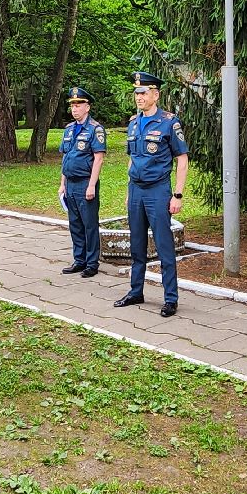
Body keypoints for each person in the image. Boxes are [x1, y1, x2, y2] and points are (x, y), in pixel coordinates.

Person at [115, 71, 189, 317]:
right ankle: (136, 291)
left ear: (155, 95)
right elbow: (132, 159)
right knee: (137, 245)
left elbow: (182, 159)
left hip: (158, 191)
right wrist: (128, 189)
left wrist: (177, 195)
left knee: (164, 245)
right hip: (136, 190)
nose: (139, 97)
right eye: (136, 93)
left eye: (144, 92)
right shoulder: (133, 123)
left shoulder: (169, 122)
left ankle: (170, 299)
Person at [57, 87, 106, 277]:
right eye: (72, 105)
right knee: (75, 223)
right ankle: (79, 259)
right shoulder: (69, 129)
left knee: (89, 224)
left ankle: (92, 263)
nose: (75, 109)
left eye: (79, 105)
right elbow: (65, 158)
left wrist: (92, 185)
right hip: (70, 182)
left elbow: (98, 158)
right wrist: (63, 183)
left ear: (87, 107)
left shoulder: (95, 129)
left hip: (86, 182)